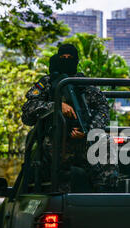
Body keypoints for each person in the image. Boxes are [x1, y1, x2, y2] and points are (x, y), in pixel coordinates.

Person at [21, 44, 118, 192]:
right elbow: (28, 112)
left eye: (70, 58)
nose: (66, 60)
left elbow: (103, 109)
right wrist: (56, 106)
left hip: (85, 140)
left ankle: (106, 195)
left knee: (106, 143)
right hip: (55, 139)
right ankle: (59, 193)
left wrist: (89, 131)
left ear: (77, 61)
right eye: (63, 57)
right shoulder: (47, 83)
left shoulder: (85, 85)